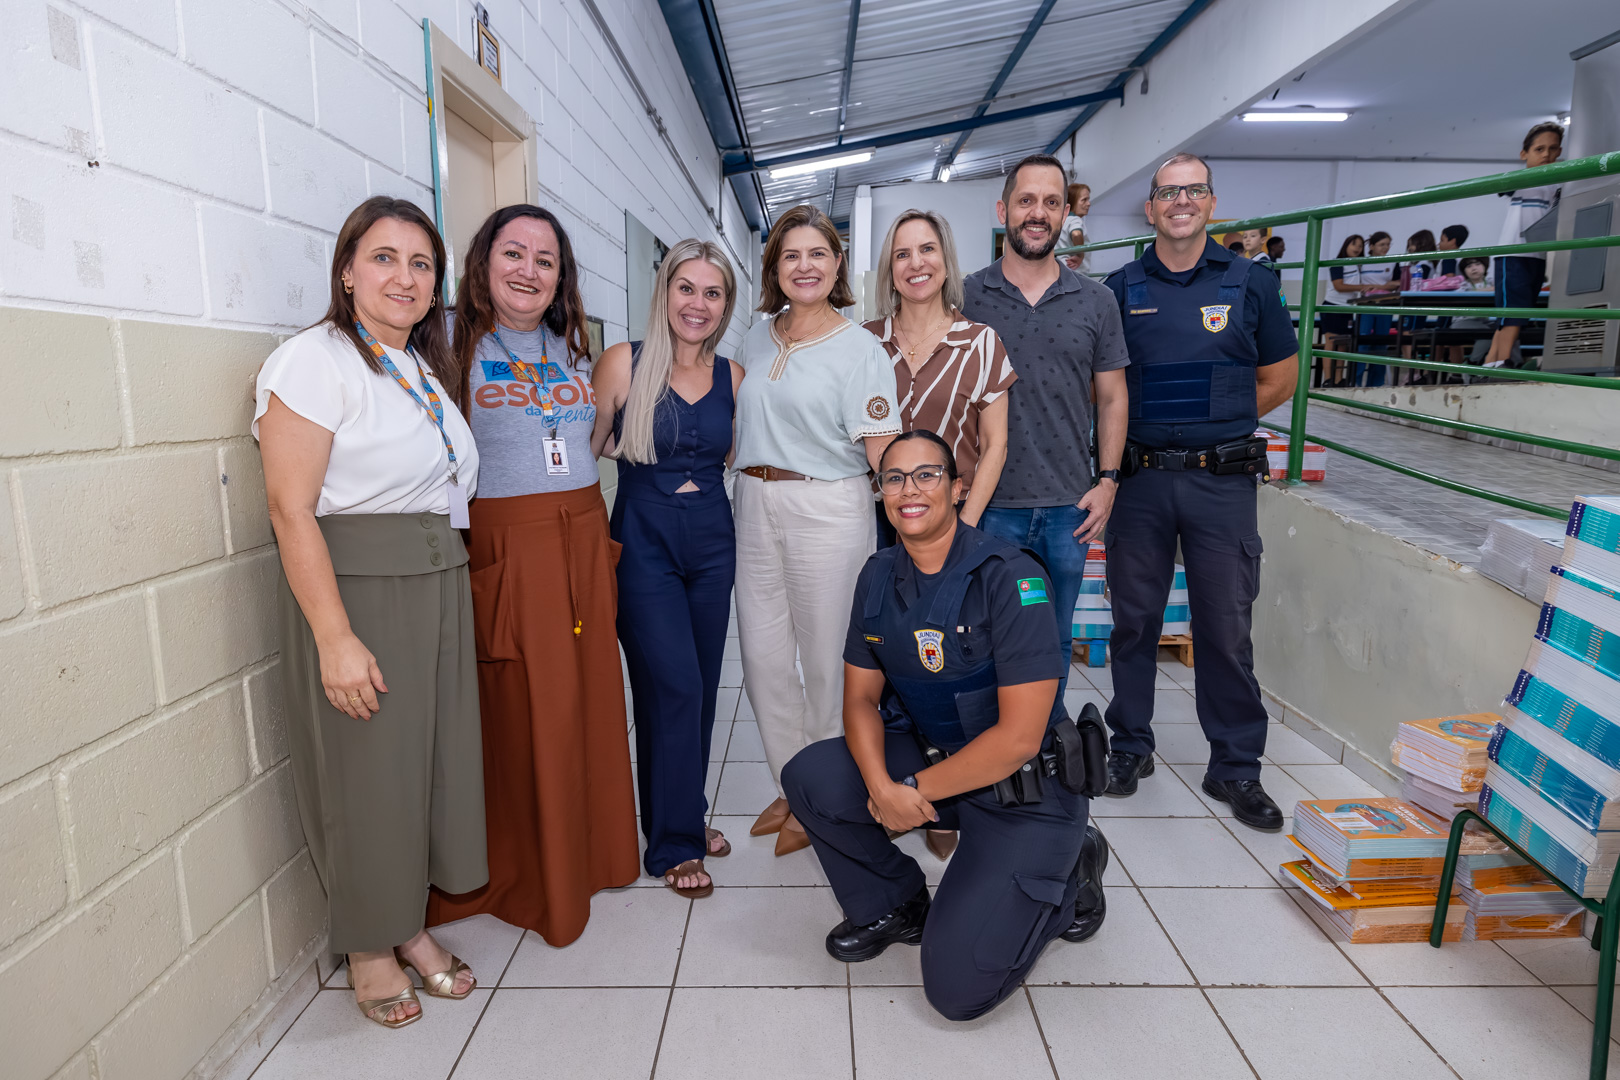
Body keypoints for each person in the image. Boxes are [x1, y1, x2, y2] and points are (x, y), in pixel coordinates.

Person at [781, 430, 1108, 1022]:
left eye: (926, 475)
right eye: (894, 478)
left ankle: (1069, 879)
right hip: (935, 763)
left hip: (1024, 790)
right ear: (880, 492)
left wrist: (910, 791)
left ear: (958, 489)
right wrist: (881, 786)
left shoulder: (1011, 577)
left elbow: (1018, 739)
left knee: (956, 991)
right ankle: (895, 905)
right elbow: (860, 700)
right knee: (812, 776)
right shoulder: (877, 575)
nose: (909, 490)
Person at [255, 196, 485, 1029]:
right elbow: (290, 509)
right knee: (368, 776)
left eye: (421, 264)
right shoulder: (312, 361)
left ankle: (406, 922)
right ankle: (369, 947)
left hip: (434, 577)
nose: (404, 277)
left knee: (421, 770)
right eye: (384, 258)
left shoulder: (414, 364)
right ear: (347, 271)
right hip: (359, 587)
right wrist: (335, 636)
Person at [425, 204, 639, 946]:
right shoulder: (447, 343)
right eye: (512, 253)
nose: (528, 271)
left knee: (589, 703)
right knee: (524, 711)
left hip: (581, 538)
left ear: (561, 277)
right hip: (508, 546)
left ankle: (596, 855)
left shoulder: (571, 347)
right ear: (482, 263)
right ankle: (532, 877)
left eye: (545, 260)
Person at [1099, 153, 1300, 831]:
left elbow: (1279, 378)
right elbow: (1105, 388)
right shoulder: (1120, 288)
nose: (1180, 202)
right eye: (1167, 192)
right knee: (1134, 623)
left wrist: (1217, 425)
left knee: (1226, 627)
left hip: (1222, 482)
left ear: (1212, 203)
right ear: (1150, 208)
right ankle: (1130, 747)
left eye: (1194, 191)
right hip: (1141, 482)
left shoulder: (1251, 283)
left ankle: (1236, 766)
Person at [733, 204, 901, 856]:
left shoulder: (861, 349)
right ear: (774, 267)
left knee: (829, 660)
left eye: (817, 254)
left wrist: (917, 512)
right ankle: (791, 783)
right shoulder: (755, 337)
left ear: (837, 265)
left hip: (827, 505)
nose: (804, 266)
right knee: (764, 658)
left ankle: (824, 797)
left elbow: (882, 453)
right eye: (790, 255)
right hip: (753, 500)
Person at [590, 240, 744, 897]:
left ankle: (680, 813)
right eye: (687, 288)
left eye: (712, 293)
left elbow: (731, 457)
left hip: (712, 540)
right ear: (664, 292)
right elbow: (587, 448)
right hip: (643, 539)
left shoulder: (733, 377)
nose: (698, 304)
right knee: (673, 684)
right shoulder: (623, 362)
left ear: (725, 305)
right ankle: (676, 844)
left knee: (699, 688)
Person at [865, 209, 1018, 862]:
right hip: (884, 531)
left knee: (956, 665)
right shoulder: (864, 342)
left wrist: (963, 531)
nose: (916, 263)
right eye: (902, 253)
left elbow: (995, 444)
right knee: (891, 663)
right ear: (889, 268)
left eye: (927, 249)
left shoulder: (980, 342)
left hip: (957, 531)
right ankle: (897, 786)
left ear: (945, 260)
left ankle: (954, 798)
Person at [960, 153, 1129, 702]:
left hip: (1067, 508)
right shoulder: (966, 296)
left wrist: (1108, 481)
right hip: (988, 505)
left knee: (1051, 643)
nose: (1038, 213)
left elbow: (1112, 397)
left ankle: (1044, 746)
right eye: (1026, 200)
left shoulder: (1097, 301)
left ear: (1064, 215)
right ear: (1003, 209)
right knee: (980, 639)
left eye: (1051, 202)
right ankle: (985, 749)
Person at [1483, 122, 1563, 367]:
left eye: (1552, 149)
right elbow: (1501, 186)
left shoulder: (1558, 184)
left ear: (1559, 152)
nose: (1546, 154)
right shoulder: (1522, 179)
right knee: (1513, 313)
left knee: (1517, 312)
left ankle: (1490, 364)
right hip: (1513, 253)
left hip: (1537, 256)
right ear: (1524, 154)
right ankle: (1504, 362)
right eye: (1539, 149)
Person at [1322, 234, 1367, 385]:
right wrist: (1361, 287)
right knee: (1331, 343)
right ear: (1346, 245)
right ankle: (1328, 379)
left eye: (1360, 246)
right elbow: (1339, 286)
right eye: (1354, 244)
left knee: (1342, 345)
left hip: (1347, 308)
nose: (1357, 248)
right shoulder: (1338, 263)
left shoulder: (1358, 265)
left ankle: (1338, 379)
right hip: (1333, 306)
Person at [1061, 182, 1090, 272]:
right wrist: (1080, 256)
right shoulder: (1075, 220)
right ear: (1072, 201)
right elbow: (1076, 234)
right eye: (1084, 200)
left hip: (1061, 269)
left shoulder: (1061, 221)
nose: (1088, 203)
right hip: (1075, 272)